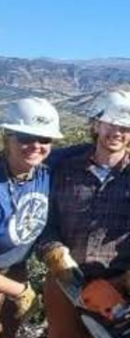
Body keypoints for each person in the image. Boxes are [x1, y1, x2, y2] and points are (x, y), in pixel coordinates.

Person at [38, 89, 130, 338]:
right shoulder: (64, 169)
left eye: (126, 127)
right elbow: (43, 220)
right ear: (96, 124)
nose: (117, 132)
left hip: (115, 285)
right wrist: (53, 251)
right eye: (111, 123)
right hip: (63, 283)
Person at [0, 98, 63, 337]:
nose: (35, 145)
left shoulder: (43, 171)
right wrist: (20, 290)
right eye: (25, 137)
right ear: (8, 136)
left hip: (16, 268)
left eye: (44, 139)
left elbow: (93, 149)